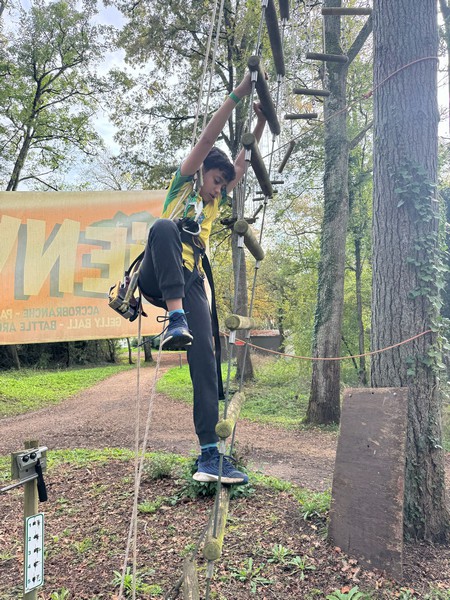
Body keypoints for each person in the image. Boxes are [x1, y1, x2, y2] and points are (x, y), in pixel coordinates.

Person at [138, 74, 267, 484]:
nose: (217, 190)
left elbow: (241, 165)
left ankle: (210, 455)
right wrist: (237, 95)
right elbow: (208, 139)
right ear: (201, 174)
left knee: (206, 358)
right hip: (157, 274)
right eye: (214, 182)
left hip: (191, 280)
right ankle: (174, 320)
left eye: (222, 186)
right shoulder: (184, 184)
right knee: (164, 226)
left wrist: (260, 121)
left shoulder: (216, 199)